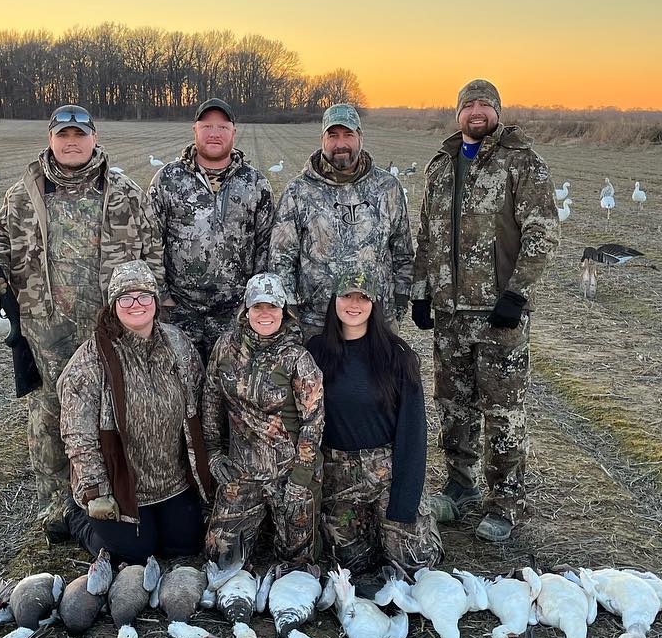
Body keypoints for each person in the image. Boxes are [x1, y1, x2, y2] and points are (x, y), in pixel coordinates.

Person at [0, 105, 168, 538]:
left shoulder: (124, 192)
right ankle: (56, 509)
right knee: (49, 415)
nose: (71, 142)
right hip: (46, 329)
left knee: (119, 411)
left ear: (94, 137)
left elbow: (154, 250)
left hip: (111, 326)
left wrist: (149, 307)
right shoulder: (23, 194)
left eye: (79, 134)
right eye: (63, 134)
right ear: (51, 138)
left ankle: (124, 497)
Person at [412, 79, 560, 544]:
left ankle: (505, 501)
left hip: (499, 314)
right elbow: (426, 235)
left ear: (497, 111)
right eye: (468, 105)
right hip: (450, 313)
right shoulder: (442, 165)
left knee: (503, 412)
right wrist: (422, 290)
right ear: (458, 113)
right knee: (453, 406)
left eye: (484, 104)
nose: (476, 111)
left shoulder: (523, 163)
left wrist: (517, 294)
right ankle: (461, 487)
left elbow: (543, 234)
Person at [56, 261, 212, 563]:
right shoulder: (89, 363)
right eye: (125, 298)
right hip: (119, 485)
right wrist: (95, 492)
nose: (136, 304)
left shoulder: (177, 343)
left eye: (144, 296)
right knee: (131, 554)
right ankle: (75, 515)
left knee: (185, 546)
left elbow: (200, 404)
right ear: (113, 305)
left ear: (155, 300)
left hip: (171, 482)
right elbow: (78, 438)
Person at [307, 268, 442, 581]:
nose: (354, 304)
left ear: (375, 304)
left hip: (386, 471)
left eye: (363, 297)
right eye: (346, 296)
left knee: (413, 567)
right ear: (334, 301)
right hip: (337, 475)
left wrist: (405, 500)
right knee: (351, 566)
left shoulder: (398, 356)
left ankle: (425, 516)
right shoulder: (314, 352)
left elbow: (413, 433)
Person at [202, 272, 324, 568]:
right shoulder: (225, 348)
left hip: (289, 471)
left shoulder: (298, 357)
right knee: (219, 557)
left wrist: (300, 480)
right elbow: (210, 398)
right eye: (258, 307)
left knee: (298, 560)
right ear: (246, 310)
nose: (265, 314)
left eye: (273, 306)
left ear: (284, 310)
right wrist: (214, 453)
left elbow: (313, 422)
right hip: (242, 471)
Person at [270, 104, 413, 340]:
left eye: (348, 135)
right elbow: (280, 258)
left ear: (360, 137)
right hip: (317, 324)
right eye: (333, 135)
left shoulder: (387, 187)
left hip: (376, 322)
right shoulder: (299, 190)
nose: (341, 144)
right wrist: (292, 313)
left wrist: (397, 304)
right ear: (322, 139)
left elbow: (403, 252)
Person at [148, 97, 274, 365]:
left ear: (233, 132)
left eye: (222, 127)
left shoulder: (255, 183)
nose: (214, 134)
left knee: (229, 390)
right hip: (180, 311)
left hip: (235, 313)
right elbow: (151, 239)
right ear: (195, 130)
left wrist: (254, 301)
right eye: (207, 126)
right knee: (181, 387)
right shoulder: (168, 180)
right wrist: (163, 296)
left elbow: (266, 244)